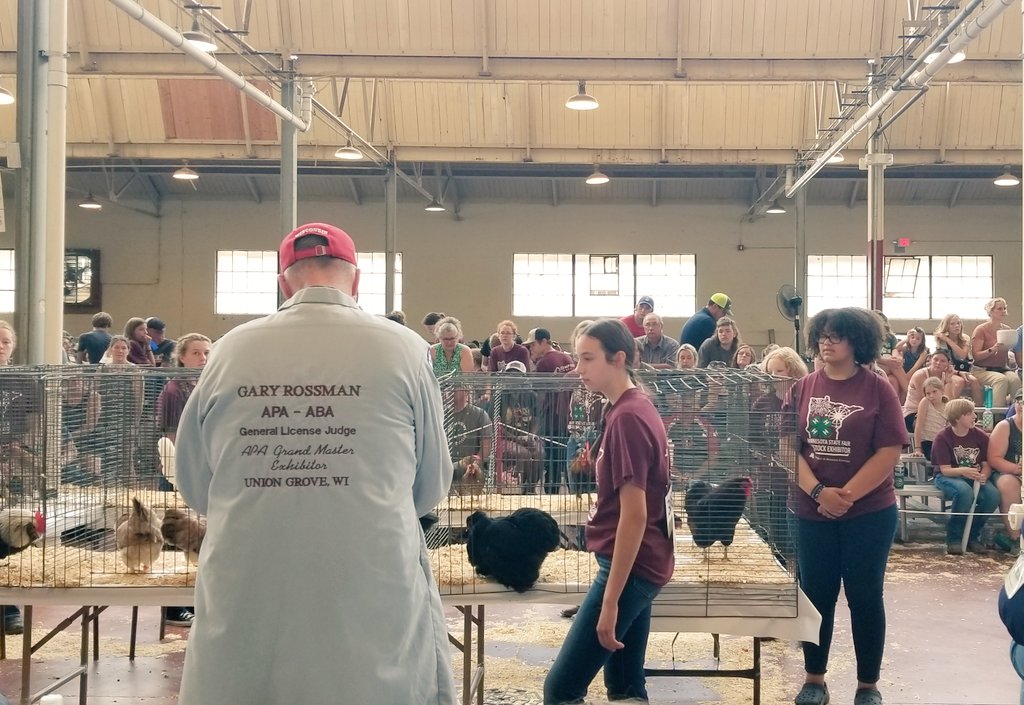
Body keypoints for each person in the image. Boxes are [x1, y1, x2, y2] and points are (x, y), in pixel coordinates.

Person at [174, 222, 455, 705]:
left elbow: (196, 485)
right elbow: (431, 484)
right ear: (357, 279)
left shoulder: (229, 350)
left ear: (283, 283)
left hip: (251, 578)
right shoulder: (404, 348)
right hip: (369, 575)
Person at [543, 318, 674, 705]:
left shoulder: (628, 417)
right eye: (576, 358)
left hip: (630, 565)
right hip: (641, 560)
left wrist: (611, 600)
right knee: (624, 686)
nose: (578, 369)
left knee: (561, 689)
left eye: (587, 359)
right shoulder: (630, 407)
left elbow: (634, 515)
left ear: (618, 359)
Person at [786, 307, 906, 705]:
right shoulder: (803, 387)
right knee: (815, 594)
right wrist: (820, 493)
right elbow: (788, 447)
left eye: (836, 335)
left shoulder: (877, 388)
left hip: (869, 513)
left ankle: (867, 685)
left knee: (865, 595)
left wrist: (846, 495)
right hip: (811, 511)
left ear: (858, 341)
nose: (826, 341)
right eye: (822, 334)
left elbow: (889, 450)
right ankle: (814, 679)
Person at [931, 398, 1000, 555]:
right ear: (957, 417)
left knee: (993, 495)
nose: (974, 416)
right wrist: (964, 471)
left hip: (973, 476)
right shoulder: (943, 437)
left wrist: (984, 475)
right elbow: (945, 470)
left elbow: (986, 463)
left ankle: (972, 535)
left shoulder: (980, 436)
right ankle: (954, 538)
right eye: (969, 414)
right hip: (948, 476)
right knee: (964, 492)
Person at [526, 327, 575, 494]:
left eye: (533, 345)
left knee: (551, 457)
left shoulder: (544, 363)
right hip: (569, 415)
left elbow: (538, 391)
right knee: (565, 456)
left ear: (544, 342)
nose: (531, 349)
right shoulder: (566, 357)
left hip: (551, 415)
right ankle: (571, 490)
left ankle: (551, 491)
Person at [988, 389, 1023, 556]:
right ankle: (1016, 538)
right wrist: (1017, 469)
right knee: (1007, 484)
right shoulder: (1005, 426)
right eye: (1019, 401)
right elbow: (994, 458)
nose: (1021, 405)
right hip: (1010, 472)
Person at [972, 298, 1022, 407]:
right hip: (981, 370)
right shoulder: (981, 329)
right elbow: (976, 356)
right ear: (990, 311)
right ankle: (995, 417)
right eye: (999, 308)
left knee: (1015, 380)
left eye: (1005, 308)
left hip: (1001, 369)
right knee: (1001, 380)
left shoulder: (1007, 329)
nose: (1003, 311)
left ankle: (1017, 413)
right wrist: (992, 349)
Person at [933, 313, 983, 404]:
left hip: (966, 368)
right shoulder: (941, 342)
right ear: (946, 326)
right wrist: (945, 340)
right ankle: (949, 408)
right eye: (952, 324)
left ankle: (979, 412)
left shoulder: (965, 338)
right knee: (959, 381)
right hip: (950, 370)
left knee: (974, 381)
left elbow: (962, 355)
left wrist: (948, 340)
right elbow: (944, 360)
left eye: (958, 323)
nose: (956, 326)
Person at [911, 377, 947, 461]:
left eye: (934, 392)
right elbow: (918, 425)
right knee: (939, 457)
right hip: (928, 441)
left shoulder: (947, 404)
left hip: (942, 441)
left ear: (942, 390)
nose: (931, 396)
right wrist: (917, 448)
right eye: (928, 393)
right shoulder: (925, 402)